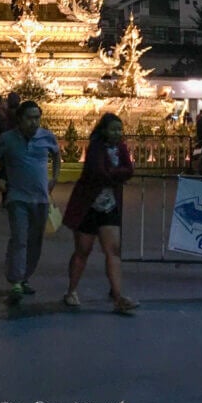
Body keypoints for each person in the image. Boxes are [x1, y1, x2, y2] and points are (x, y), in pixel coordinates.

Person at [62, 113, 138, 314]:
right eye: (113, 129)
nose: (117, 133)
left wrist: (114, 174)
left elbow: (129, 169)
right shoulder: (95, 148)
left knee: (112, 251)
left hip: (109, 205)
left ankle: (118, 296)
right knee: (83, 251)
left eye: (119, 129)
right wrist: (117, 174)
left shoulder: (121, 148)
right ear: (103, 130)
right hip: (88, 205)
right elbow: (98, 172)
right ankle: (71, 290)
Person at [0, 100, 60, 304]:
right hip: (17, 197)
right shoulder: (8, 139)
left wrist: (54, 177)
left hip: (41, 198)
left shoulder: (47, 137)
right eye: (29, 118)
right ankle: (16, 280)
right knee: (19, 238)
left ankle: (25, 276)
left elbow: (56, 154)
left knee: (35, 240)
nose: (33, 122)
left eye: (37, 118)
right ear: (20, 119)